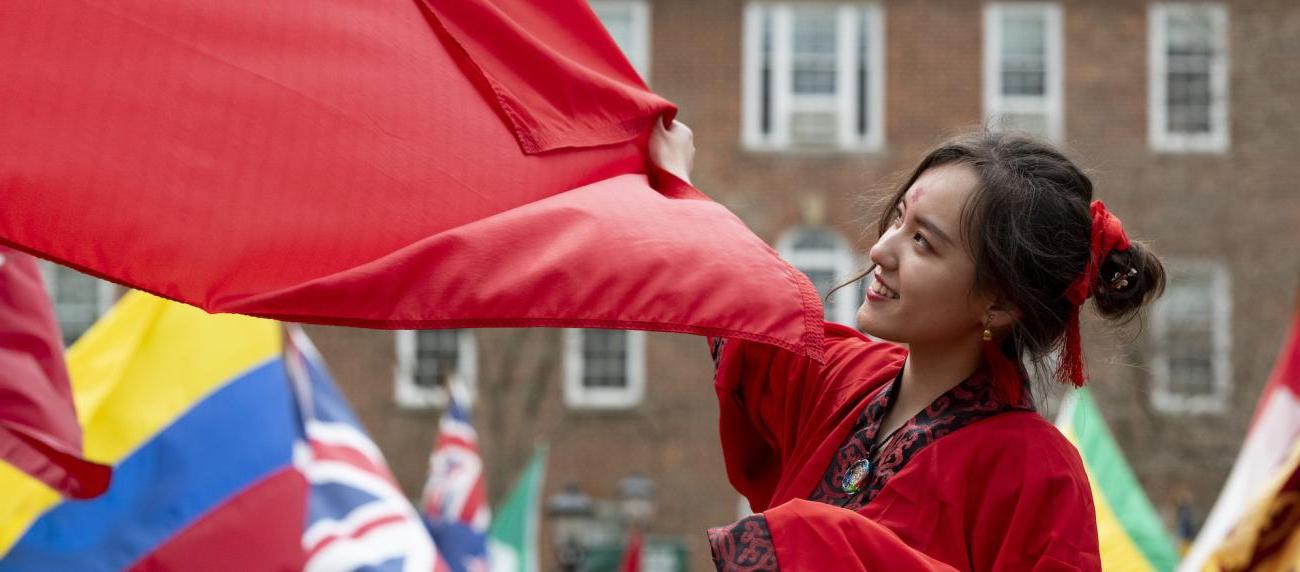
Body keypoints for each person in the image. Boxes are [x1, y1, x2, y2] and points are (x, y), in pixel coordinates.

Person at [649, 119, 1167, 571]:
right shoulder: (848, 376)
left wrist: (824, 543)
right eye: (898, 219)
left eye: (923, 241)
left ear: (999, 303)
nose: (879, 249)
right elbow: (745, 309)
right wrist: (676, 184)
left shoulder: (1038, 472)